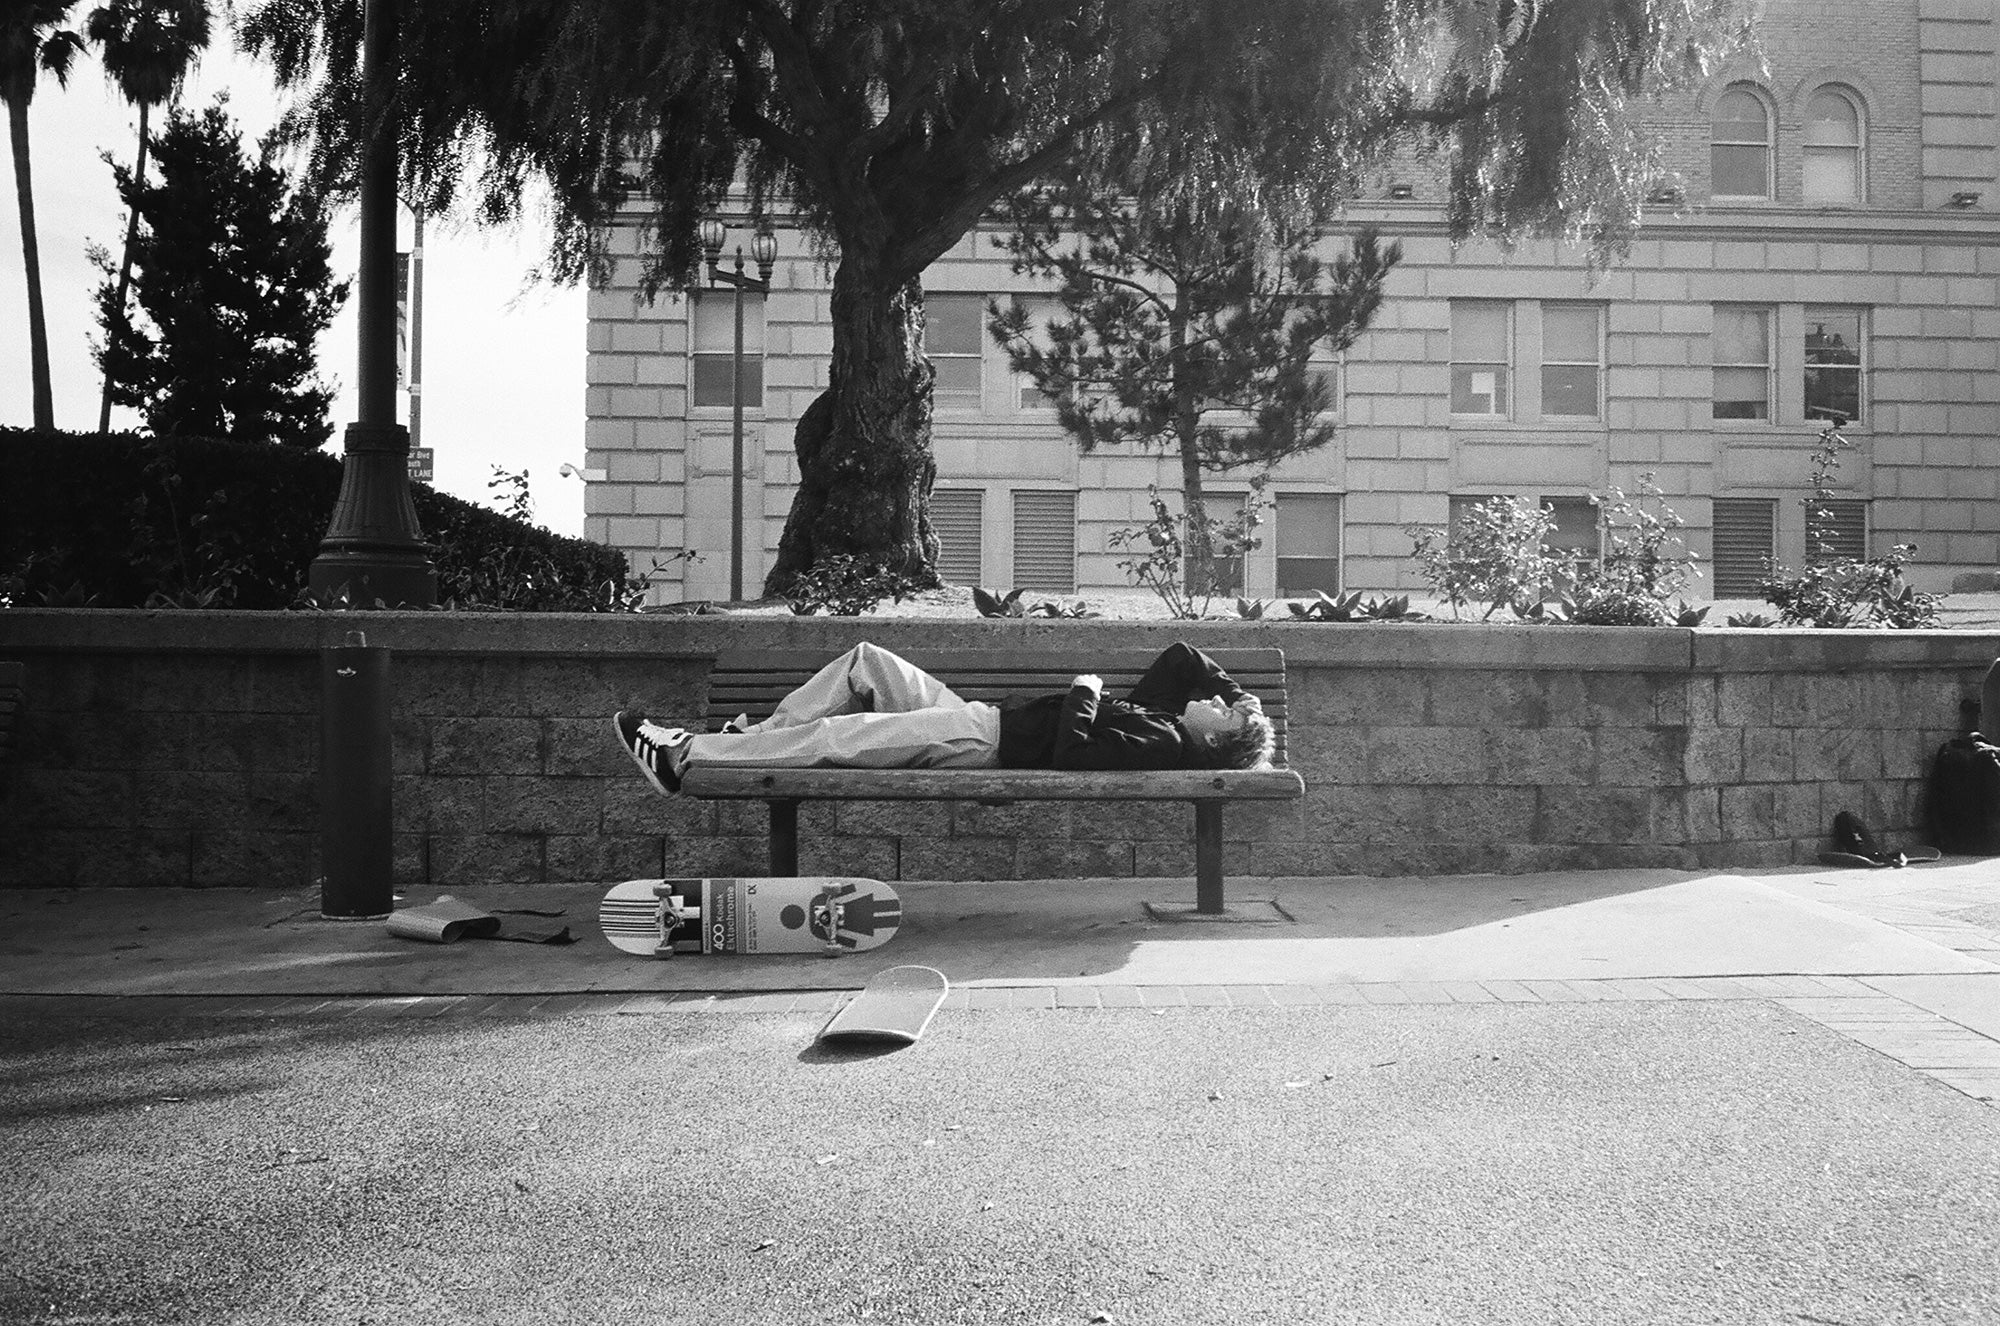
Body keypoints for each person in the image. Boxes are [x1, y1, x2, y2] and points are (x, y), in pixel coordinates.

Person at [612, 640, 1275, 797]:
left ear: (1212, 739)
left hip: (981, 743)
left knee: (837, 737)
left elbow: (1072, 756)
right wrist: (1243, 698)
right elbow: (1183, 657)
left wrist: (1084, 690)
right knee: (866, 664)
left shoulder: (1160, 741)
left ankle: (686, 756)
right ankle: (751, 741)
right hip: (974, 718)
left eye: (1221, 711)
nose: (1214, 700)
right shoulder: (1165, 714)